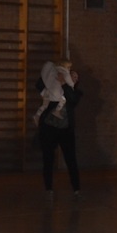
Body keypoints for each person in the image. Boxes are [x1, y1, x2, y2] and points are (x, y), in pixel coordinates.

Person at [37, 65, 82, 195]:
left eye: (76, 77)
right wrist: (52, 75)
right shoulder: (53, 89)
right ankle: (48, 188)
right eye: (72, 75)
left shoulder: (76, 92)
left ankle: (76, 188)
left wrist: (64, 83)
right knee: (48, 158)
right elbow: (39, 84)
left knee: (71, 159)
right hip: (49, 129)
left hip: (66, 130)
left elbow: (72, 99)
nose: (74, 78)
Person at [33, 60, 74, 126]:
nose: (69, 69)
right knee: (63, 99)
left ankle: (37, 115)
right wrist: (71, 85)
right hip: (55, 93)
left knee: (45, 105)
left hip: (47, 90)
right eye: (69, 67)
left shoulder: (54, 69)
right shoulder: (65, 73)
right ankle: (57, 111)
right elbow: (70, 83)